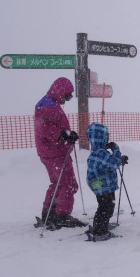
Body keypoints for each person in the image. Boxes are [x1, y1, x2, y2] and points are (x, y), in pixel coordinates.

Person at [34, 77, 85, 229]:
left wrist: (67, 134)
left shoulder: (49, 103)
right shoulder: (48, 106)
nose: (67, 99)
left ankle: (49, 212)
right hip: (54, 151)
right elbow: (43, 128)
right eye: (67, 95)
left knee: (59, 183)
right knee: (68, 184)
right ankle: (61, 215)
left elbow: (51, 126)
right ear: (60, 91)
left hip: (54, 150)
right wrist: (62, 134)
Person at [86, 123, 128, 241]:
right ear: (100, 137)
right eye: (106, 136)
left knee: (106, 205)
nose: (107, 138)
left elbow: (111, 163)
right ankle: (100, 231)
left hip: (101, 184)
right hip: (101, 184)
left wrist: (119, 159)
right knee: (106, 207)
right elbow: (114, 163)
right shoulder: (100, 152)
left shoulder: (99, 151)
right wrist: (116, 150)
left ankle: (101, 224)